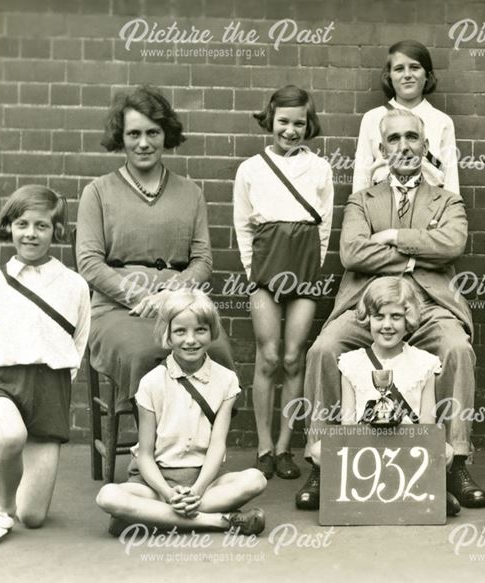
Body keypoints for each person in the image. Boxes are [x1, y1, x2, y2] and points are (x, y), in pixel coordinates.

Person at [296, 108, 485, 510]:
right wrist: (416, 256)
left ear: (426, 146)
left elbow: (452, 244)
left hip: (429, 303)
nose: (404, 146)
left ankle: (456, 460)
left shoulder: (448, 201)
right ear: (382, 149)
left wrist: (393, 236)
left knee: (457, 348)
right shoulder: (362, 200)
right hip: (369, 303)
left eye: (412, 138)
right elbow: (351, 252)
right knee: (324, 349)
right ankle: (323, 458)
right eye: (395, 139)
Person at [76, 85, 235, 410]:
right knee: (144, 353)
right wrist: (141, 297)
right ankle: (148, 448)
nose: (144, 143)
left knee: (217, 350)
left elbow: (202, 261)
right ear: (121, 136)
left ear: (166, 134)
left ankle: (197, 443)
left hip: (180, 306)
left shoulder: (191, 193)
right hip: (119, 311)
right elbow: (89, 263)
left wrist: (171, 296)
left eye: (153, 132)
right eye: (134, 133)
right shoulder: (97, 192)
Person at [0, 185, 90, 545]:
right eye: (22, 223)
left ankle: (4, 483)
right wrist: (6, 375)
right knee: (10, 436)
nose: (31, 234)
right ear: (9, 227)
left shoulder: (74, 286)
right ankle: (2, 513)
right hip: (1, 383)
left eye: (42, 226)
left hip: (50, 389)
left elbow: (79, 342)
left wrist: (52, 381)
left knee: (34, 517)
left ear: (56, 231)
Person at [95, 290, 266, 535]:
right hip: (154, 485)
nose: (190, 340)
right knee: (108, 496)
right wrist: (167, 493)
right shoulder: (151, 382)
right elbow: (144, 454)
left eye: (200, 330)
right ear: (167, 335)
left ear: (211, 332)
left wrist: (196, 491)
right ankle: (221, 521)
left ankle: (150, 516)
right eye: (180, 331)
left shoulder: (227, 380)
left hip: (204, 481)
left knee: (255, 479)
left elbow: (217, 447)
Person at [234, 85, 334, 481]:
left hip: (305, 271)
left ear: (309, 125)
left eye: (298, 123)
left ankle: (284, 446)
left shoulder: (320, 168)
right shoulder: (251, 168)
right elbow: (242, 225)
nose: (290, 131)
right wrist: (252, 271)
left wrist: (312, 266)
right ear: (270, 121)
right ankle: (262, 446)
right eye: (283, 122)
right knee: (269, 355)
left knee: (294, 357)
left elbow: (324, 225)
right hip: (264, 271)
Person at [300, 277, 462, 516]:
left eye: (396, 317)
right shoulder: (351, 362)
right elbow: (348, 424)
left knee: (446, 451)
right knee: (317, 451)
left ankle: (425, 488)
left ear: (408, 320)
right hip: (366, 451)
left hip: (407, 450)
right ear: (368, 319)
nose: (387, 325)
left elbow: (428, 426)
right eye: (379, 317)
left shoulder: (424, 363)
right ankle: (412, 491)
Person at [352, 39, 459, 194]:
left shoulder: (442, 121)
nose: (407, 75)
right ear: (389, 76)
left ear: (427, 75)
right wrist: (359, 213)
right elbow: (362, 175)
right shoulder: (372, 118)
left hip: (429, 205)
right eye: (399, 69)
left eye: (415, 67)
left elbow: (451, 179)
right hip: (382, 202)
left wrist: (451, 214)